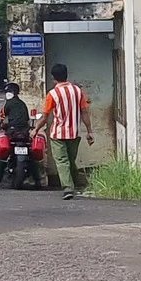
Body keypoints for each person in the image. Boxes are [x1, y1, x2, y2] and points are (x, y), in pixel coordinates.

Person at [39, 63, 94, 199]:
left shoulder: (52, 94)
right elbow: (84, 112)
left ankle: (68, 188)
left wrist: (35, 129)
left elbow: (45, 117)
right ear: (66, 75)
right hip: (74, 133)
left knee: (62, 161)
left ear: (53, 77)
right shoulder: (77, 91)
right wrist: (89, 131)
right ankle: (75, 184)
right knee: (70, 160)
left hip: (57, 134)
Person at [0, 82, 37, 188]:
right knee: (32, 157)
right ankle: (38, 180)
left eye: (8, 92)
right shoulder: (22, 104)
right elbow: (26, 120)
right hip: (24, 131)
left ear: (12, 93)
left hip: (13, 131)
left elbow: (1, 117)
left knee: (3, 155)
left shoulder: (8, 103)